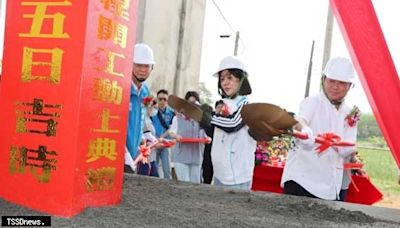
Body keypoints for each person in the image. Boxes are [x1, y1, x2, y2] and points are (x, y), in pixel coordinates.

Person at [281, 57, 358, 200]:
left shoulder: (350, 113)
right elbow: (299, 119)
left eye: (341, 83)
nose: (335, 86)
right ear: (323, 80)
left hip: (330, 186)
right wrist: (304, 130)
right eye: (331, 81)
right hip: (301, 183)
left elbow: (350, 143)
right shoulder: (312, 102)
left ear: (349, 85)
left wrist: (348, 150)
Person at [200, 56, 257, 190]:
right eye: (222, 78)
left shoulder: (246, 105)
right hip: (220, 173)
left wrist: (209, 117)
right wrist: (202, 119)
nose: (225, 82)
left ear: (241, 79)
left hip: (238, 176)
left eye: (230, 77)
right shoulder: (223, 104)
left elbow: (232, 124)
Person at [125, 43, 155, 173]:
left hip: (133, 154)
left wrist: (145, 135)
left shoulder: (145, 91)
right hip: (116, 154)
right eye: (138, 65)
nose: (143, 69)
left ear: (152, 68)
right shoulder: (122, 88)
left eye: (146, 66)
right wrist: (123, 153)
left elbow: (141, 117)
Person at [168, 91, 210, 183]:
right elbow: (171, 132)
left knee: (195, 185)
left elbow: (204, 135)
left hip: (196, 157)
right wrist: (176, 136)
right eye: (190, 103)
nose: (192, 106)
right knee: (184, 184)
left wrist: (208, 139)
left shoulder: (200, 120)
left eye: (195, 103)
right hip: (181, 157)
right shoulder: (178, 118)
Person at [151, 89, 175, 179]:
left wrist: (162, 137)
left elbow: (172, 128)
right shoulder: (152, 112)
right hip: (154, 143)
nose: (162, 101)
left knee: (167, 169)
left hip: (166, 143)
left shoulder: (172, 114)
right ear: (157, 99)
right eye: (160, 99)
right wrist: (156, 139)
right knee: (154, 168)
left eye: (165, 99)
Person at [137, 96, 160, 177]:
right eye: (154, 107)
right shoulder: (143, 118)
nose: (155, 110)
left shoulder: (148, 119)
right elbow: (144, 135)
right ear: (149, 105)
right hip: (144, 156)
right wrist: (155, 143)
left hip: (151, 156)